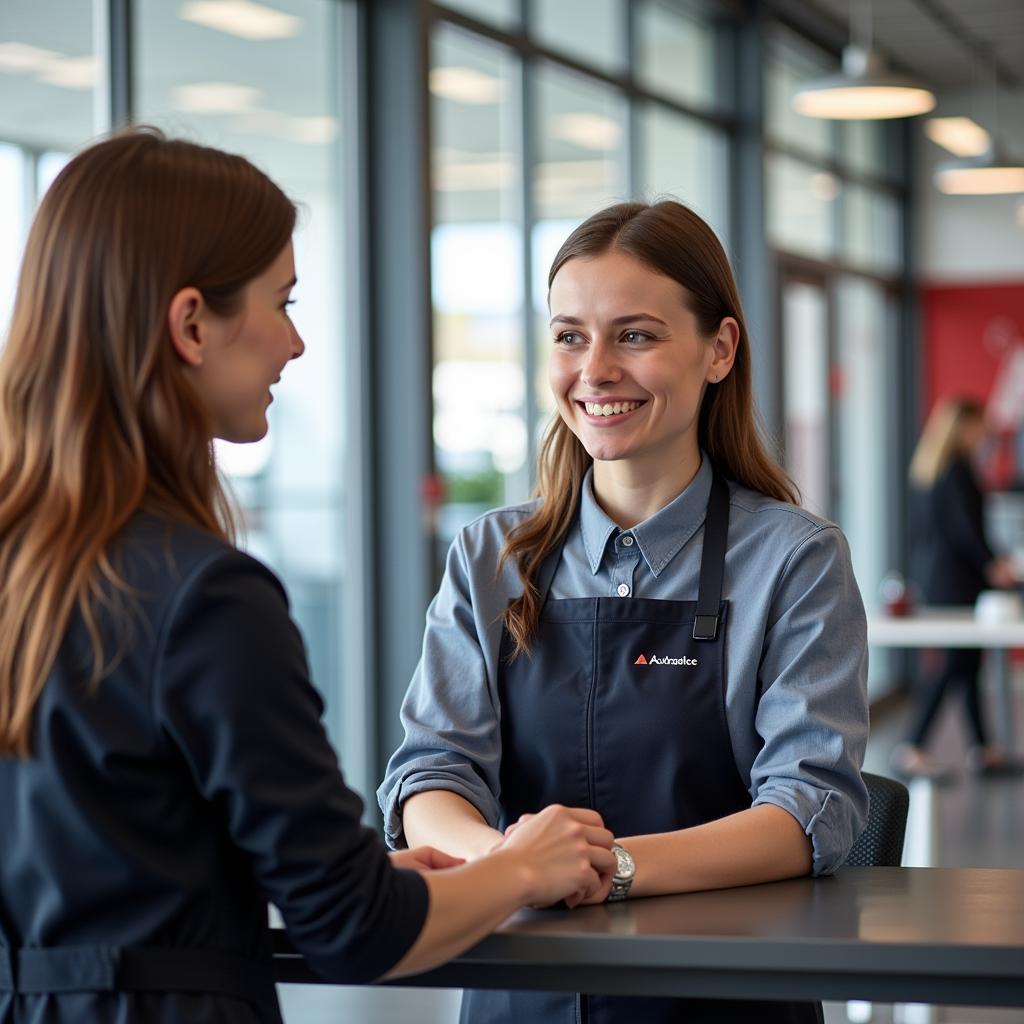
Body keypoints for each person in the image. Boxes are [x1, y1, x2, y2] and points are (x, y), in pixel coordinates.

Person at [0, 128, 618, 1024]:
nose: (293, 343)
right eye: (281, 303)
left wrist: (335, 872)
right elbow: (356, 930)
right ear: (189, 324)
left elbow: (108, 847)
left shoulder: (28, 563)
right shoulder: (205, 596)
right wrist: (525, 865)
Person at [379, 199, 870, 1024]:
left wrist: (599, 867)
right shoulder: (490, 557)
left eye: (634, 335)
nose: (595, 369)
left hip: (722, 996)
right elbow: (430, 775)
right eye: (570, 335)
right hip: (521, 990)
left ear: (719, 350)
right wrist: (512, 866)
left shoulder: (794, 558)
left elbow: (807, 810)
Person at [893, 396, 1019, 779]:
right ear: (964, 427)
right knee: (953, 663)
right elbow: (965, 530)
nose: (986, 435)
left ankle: (984, 751)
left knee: (964, 664)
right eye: (981, 426)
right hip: (957, 581)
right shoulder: (956, 470)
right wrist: (992, 564)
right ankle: (913, 745)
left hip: (939, 579)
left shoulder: (931, 470)